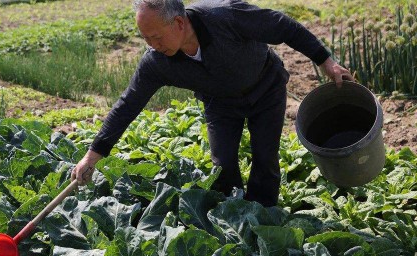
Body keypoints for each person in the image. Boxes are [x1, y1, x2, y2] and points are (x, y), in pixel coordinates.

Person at [70, 0, 354, 207]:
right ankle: (234, 219)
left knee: (265, 159)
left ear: (179, 23)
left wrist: (325, 62)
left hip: (266, 88)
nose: (152, 45)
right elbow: (128, 104)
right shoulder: (156, 62)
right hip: (221, 104)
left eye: (155, 37)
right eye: (145, 39)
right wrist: (92, 155)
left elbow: (283, 27)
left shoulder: (225, 16)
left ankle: (265, 217)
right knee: (222, 166)